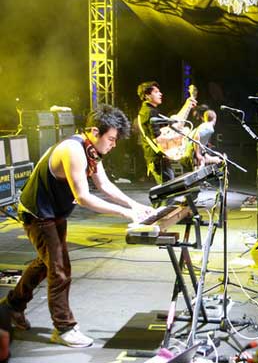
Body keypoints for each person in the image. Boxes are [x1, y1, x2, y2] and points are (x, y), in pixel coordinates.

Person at [0, 104, 154, 348]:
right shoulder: (73, 150)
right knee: (60, 269)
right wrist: (126, 213)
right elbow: (83, 197)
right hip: (37, 214)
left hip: (53, 213)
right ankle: (63, 328)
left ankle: (10, 308)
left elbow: (104, 185)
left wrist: (137, 206)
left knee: (45, 263)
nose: (113, 145)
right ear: (95, 131)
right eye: (111, 139)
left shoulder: (91, 150)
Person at [136, 81, 197, 184]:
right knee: (168, 193)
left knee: (169, 192)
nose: (160, 94)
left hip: (160, 158)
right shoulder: (149, 112)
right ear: (147, 95)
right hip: (157, 159)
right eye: (156, 92)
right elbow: (158, 139)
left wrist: (188, 104)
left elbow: (172, 125)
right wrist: (181, 136)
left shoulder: (151, 110)